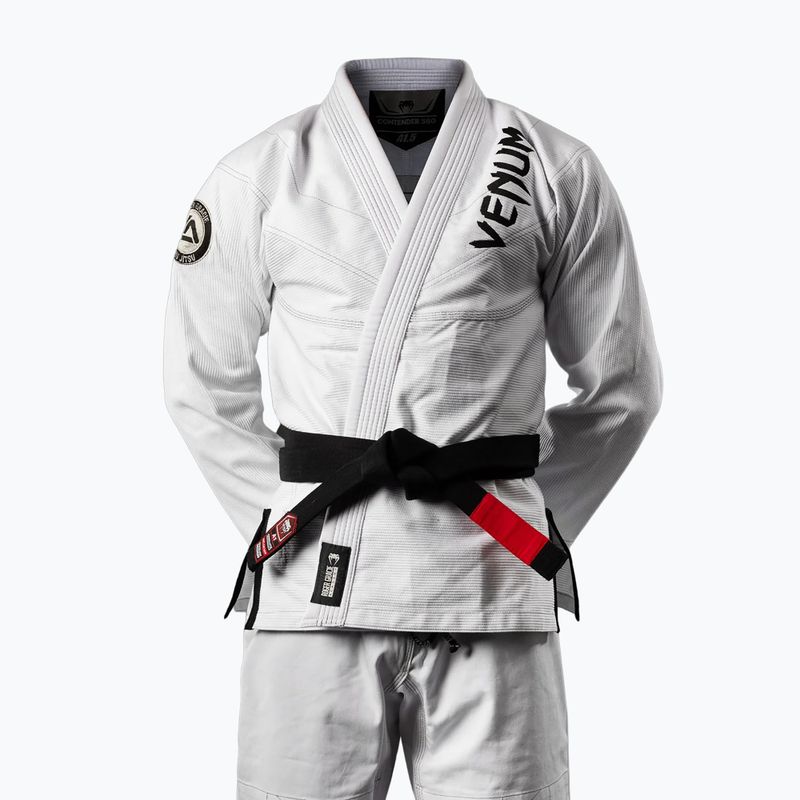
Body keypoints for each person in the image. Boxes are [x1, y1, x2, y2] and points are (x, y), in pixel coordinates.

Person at [164, 57, 662, 800]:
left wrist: (514, 519)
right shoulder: (260, 172)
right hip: (335, 595)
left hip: (481, 590)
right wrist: (294, 518)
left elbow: (623, 390)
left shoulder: (553, 169)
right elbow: (199, 380)